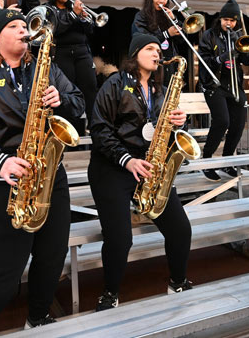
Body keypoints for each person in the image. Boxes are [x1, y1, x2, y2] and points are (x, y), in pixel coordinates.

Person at [0, 8, 84, 337]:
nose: (24, 30)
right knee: (6, 269)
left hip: (47, 171)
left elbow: (78, 103)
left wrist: (61, 99)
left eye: (26, 25)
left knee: (53, 255)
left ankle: (38, 317)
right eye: (14, 26)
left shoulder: (44, 69)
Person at [88, 34, 192, 311]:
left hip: (149, 167)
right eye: (150, 49)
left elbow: (161, 133)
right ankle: (109, 294)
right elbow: (99, 129)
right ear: (135, 54)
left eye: (158, 49)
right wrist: (127, 160)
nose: (157, 54)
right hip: (111, 167)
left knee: (181, 230)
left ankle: (178, 282)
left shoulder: (160, 91)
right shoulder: (115, 84)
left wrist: (179, 123)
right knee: (121, 239)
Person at [197, 0, 249, 181]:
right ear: (220, 19)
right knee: (222, 121)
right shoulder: (209, 35)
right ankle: (206, 161)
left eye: (232, 20)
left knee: (238, 124)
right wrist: (223, 57)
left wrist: (242, 49)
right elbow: (205, 63)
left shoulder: (237, 36)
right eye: (226, 19)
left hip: (234, 86)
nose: (229, 23)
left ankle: (227, 161)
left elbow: (248, 61)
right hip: (214, 85)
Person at [47, 0, 98, 132]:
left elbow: (90, 30)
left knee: (90, 88)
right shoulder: (49, 9)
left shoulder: (73, 8)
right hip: (62, 53)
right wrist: (75, 15)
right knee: (66, 92)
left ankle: (95, 125)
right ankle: (67, 129)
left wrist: (84, 18)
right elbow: (57, 28)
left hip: (82, 53)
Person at [131, 0, 184, 65]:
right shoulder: (141, 16)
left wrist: (174, 20)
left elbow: (182, 40)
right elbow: (142, 40)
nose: (162, 1)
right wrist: (167, 33)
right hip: (150, 63)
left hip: (169, 62)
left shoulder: (168, 16)